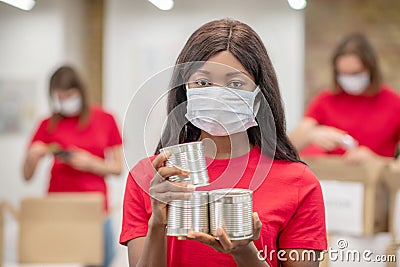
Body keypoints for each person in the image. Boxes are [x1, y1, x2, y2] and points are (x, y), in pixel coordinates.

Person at [120, 19, 327, 267]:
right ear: (185, 90)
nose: (219, 95)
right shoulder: (149, 177)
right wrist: (157, 221)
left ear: (259, 97)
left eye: (236, 84)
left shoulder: (299, 183)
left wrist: (243, 251)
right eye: (203, 82)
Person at [23, 65, 123, 267]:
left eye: (69, 95)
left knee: (101, 261)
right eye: (60, 97)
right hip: (58, 209)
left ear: (80, 91)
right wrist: (32, 156)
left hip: (94, 210)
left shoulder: (105, 118)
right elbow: (26, 176)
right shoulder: (47, 123)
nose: (65, 101)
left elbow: (118, 168)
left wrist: (91, 164)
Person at [290, 33, 400, 167]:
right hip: (336, 182)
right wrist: (311, 135)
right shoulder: (325, 100)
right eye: (343, 74)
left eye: (355, 73)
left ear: (371, 69)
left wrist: (375, 160)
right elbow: (288, 146)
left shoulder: (393, 102)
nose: (350, 79)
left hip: (379, 182)